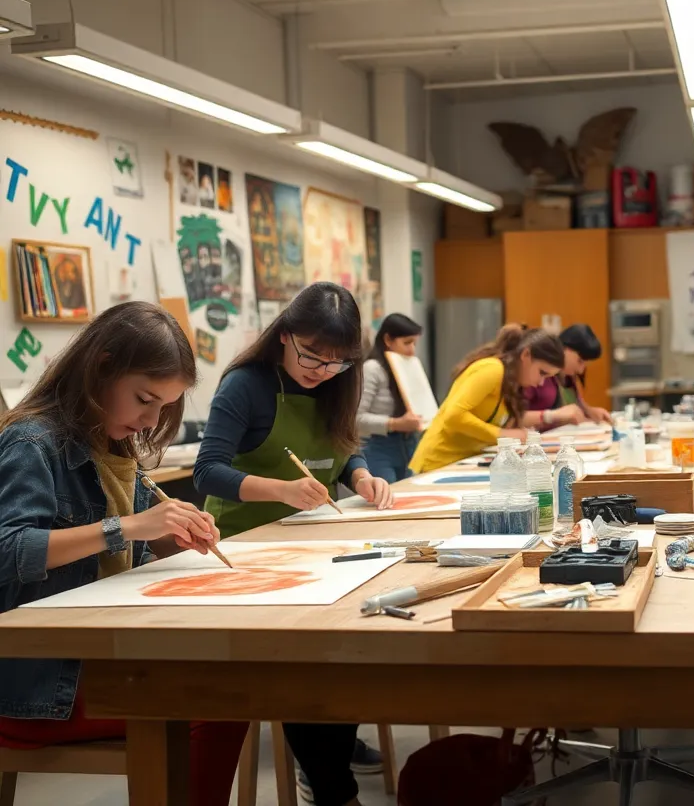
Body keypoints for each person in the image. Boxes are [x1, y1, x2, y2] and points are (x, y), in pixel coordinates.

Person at [0, 302, 247, 806]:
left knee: (231, 680)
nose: (149, 420)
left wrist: (170, 534)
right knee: (221, 697)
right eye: (143, 400)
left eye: (163, 407)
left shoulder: (109, 445)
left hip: (99, 657)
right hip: (37, 686)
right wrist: (126, 526)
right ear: (102, 366)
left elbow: (125, 544)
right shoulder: (31, 442)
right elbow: (9, 550)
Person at [194, 282, 393, 806]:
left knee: (349, 644)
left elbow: (344, 450)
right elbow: (207, 471)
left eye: (337, 362)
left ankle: (326, 766)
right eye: (311, 355)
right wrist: (281, 489)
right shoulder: (246, 385)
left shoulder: (337, 384)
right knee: (304, 655)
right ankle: (332, 785)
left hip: (312, 542)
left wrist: (363, 475)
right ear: (285, 335)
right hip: (244, 549)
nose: (321, 370)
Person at [409, 325, 565, 474]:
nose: (540, 383)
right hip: (436, 464)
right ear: (525, 355)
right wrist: (502, 434)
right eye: (542, 373)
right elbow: (453, 415)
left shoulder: (511, 382)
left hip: (464, 463)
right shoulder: (492, 369)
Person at [359, 313, 425, 482]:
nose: (412, 350)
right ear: (388, 340)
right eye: (407, 343)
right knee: (386, 501)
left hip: (409, 446)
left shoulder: (407, 368)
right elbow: (356, 418)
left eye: (414, 343)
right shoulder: (372, 369)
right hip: (379, 448)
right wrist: (395, 424)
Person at [521, 323, 612, 430]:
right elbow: (513, 418)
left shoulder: (568, 378)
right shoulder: (538, 376)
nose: (580, 370)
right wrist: (550, 416)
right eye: (580, 361)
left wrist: (589, 411)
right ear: (564, 348)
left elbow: (577, 405)